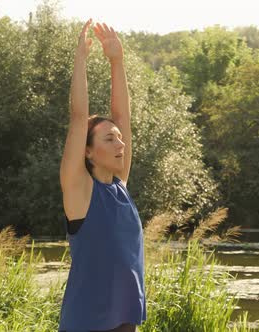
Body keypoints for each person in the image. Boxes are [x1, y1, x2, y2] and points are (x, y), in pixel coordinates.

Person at [58, 18, 147, 332]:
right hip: (87, 324)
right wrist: (81, 59)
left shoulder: (119, 186)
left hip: (124, 321)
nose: (121, 142)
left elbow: (122, 117)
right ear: (88, 151)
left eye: (120, 138)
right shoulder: (80, 191)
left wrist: (117, 62)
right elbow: (79, 117)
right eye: (109, 139)